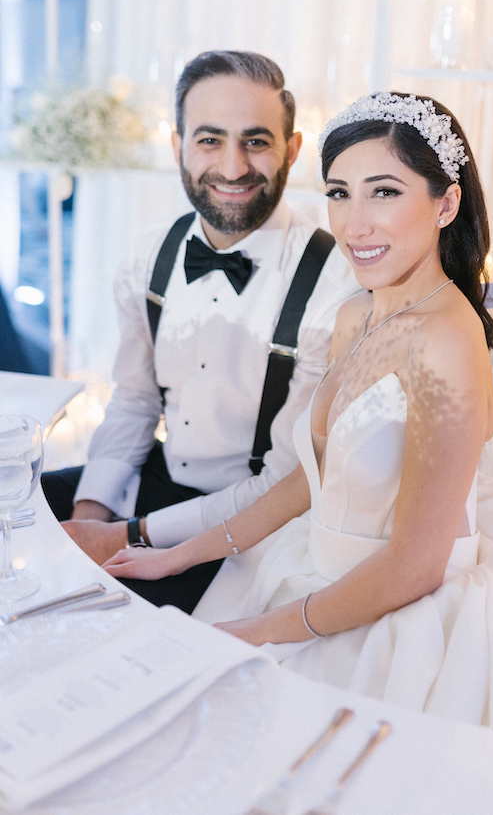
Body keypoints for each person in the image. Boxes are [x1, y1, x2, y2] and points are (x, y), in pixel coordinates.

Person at [103, 92, 493, 815]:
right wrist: (185, 552)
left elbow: (415, 565)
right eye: (339, 193)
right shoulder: (356, 312)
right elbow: (314, 477)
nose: (354, 224)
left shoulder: (446, 341)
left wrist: (259, 632)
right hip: (305, 568)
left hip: (401, 613)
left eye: (385, 192)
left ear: (446, 203)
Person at [42, 50, 359, 612]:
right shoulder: (148, 253)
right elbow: (136, 402)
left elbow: (286, 481)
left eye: (256, 142)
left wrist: (122, 538)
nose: (233, 167)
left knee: (104, 618)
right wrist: (88, 518)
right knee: (21, 517)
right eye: (210, 140)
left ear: (292, 148)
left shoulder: (336, 284)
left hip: (255, 528)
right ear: (177, 146)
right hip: (156, 483)